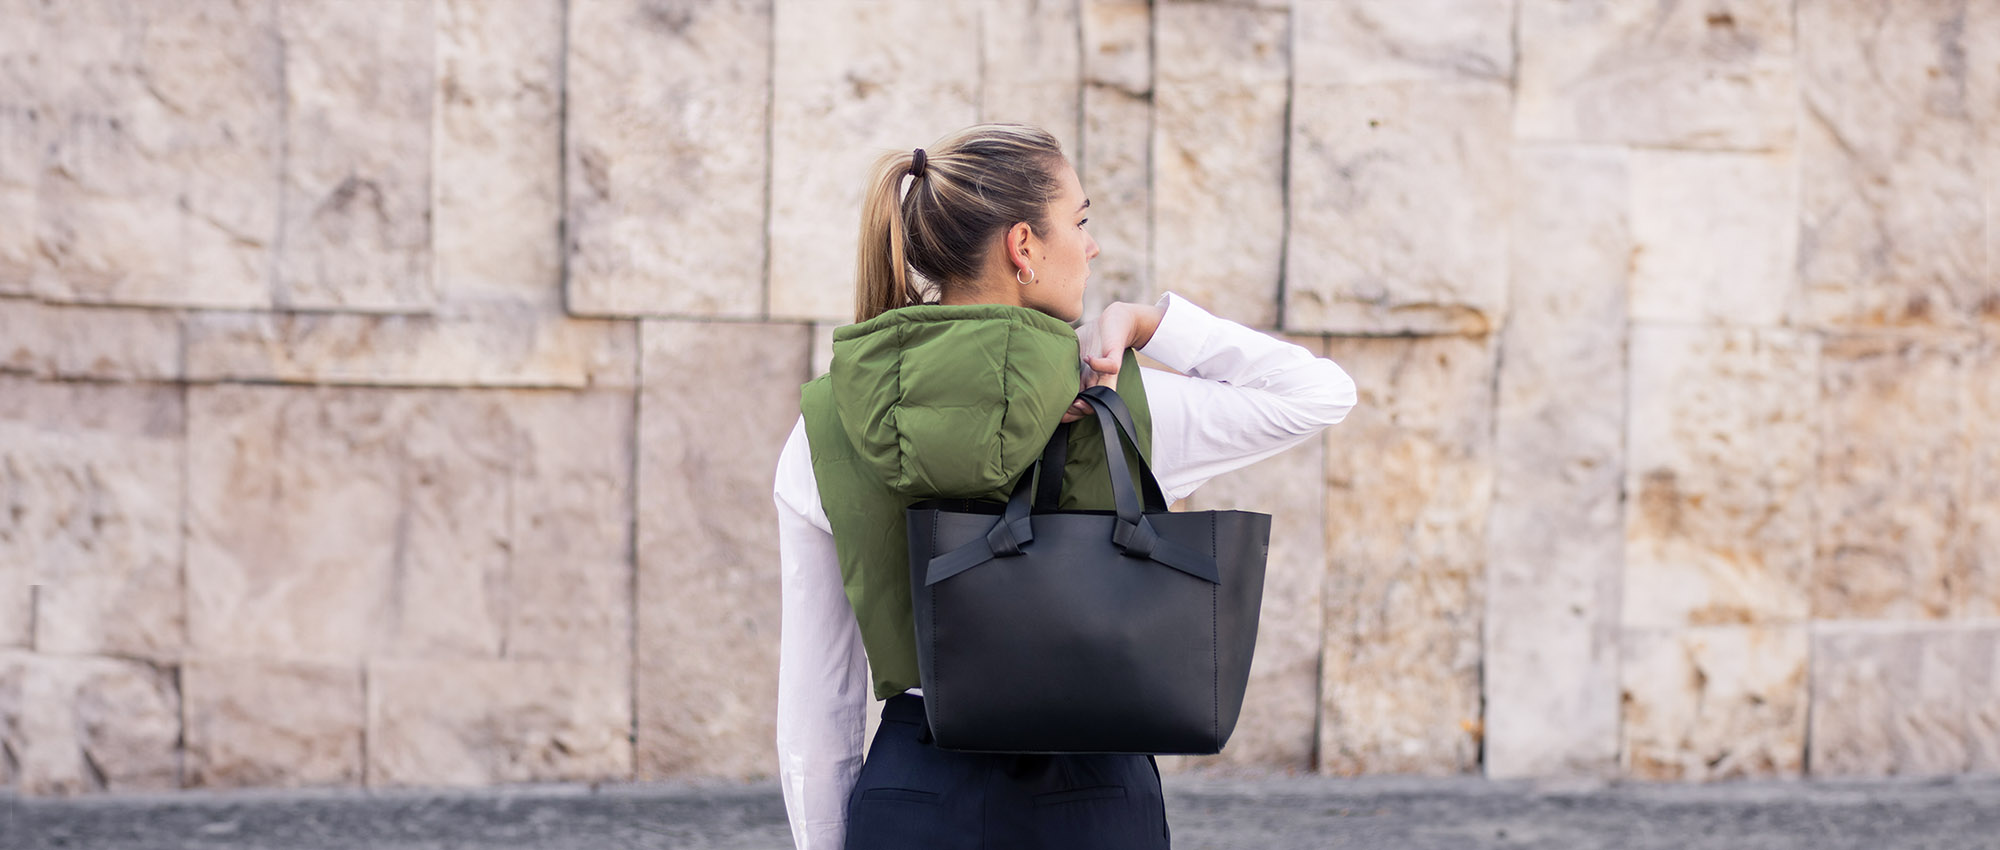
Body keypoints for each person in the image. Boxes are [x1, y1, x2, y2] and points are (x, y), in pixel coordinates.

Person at [772, 123, 1356, 850]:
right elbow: (1318, 393)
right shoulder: (1127, 403)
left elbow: (817, 700)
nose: (1092, 245)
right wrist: (1154, 326)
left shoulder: (826, 424)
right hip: (1093, 799)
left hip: (912, 797)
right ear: (1023, 246)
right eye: (1079, 223)